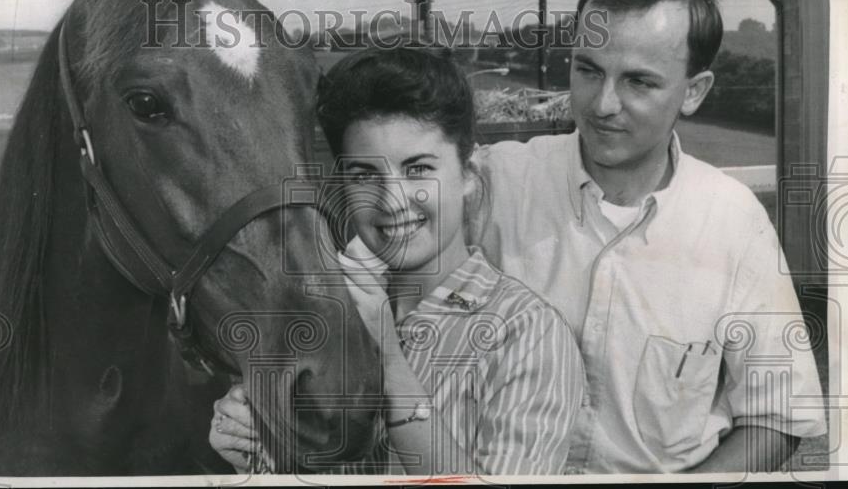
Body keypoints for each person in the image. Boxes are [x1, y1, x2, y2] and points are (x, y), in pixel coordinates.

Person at [461, 0, 826, 473]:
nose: (602, 103)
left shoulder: (734, 221)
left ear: (694, 92)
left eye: (639, 82)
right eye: (587, 70)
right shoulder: (494, 183)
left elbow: (779, 417)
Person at [209, 47, 585, 475]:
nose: (391, 201)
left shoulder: (527, 333)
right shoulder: (324, 317)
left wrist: (389, 360)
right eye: (365, 175)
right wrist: (256, 453)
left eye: (418, 169)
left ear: (468, 174)